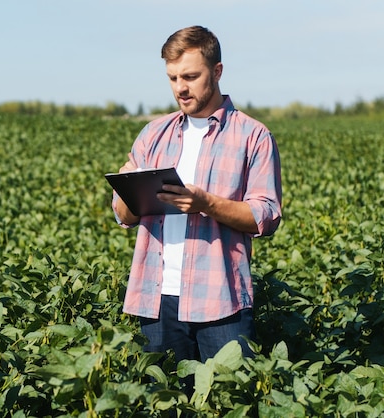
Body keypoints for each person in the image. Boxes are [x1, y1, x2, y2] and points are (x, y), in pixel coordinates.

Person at [111, 25, 282, 388]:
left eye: (190, 76)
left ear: (217, 72)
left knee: (232, 402)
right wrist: (127, 187)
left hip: (221, 303)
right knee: (163, 405)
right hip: (156, 301)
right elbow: (123, 216)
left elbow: (265, 216)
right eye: (172, 77)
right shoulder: (153, 134)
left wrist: (206, 203)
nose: (180, 88)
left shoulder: (253, 136)